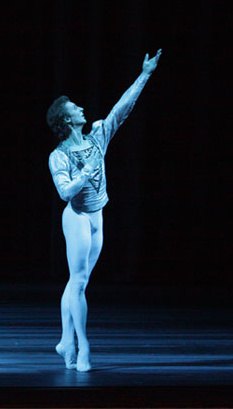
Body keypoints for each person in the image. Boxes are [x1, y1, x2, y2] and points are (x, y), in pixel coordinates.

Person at [46, 49, 162, 371]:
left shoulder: (97, 137)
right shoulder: (59, 156)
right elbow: (64, 192)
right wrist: (84, 173)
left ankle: (65, 341)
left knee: (76, 282)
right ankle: (83, 347)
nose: (83, 108)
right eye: (75, 108)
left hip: (98, 216)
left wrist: (145, 74)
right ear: (67, 120)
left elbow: (120, 110)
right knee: (80, 283)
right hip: (78, 218)